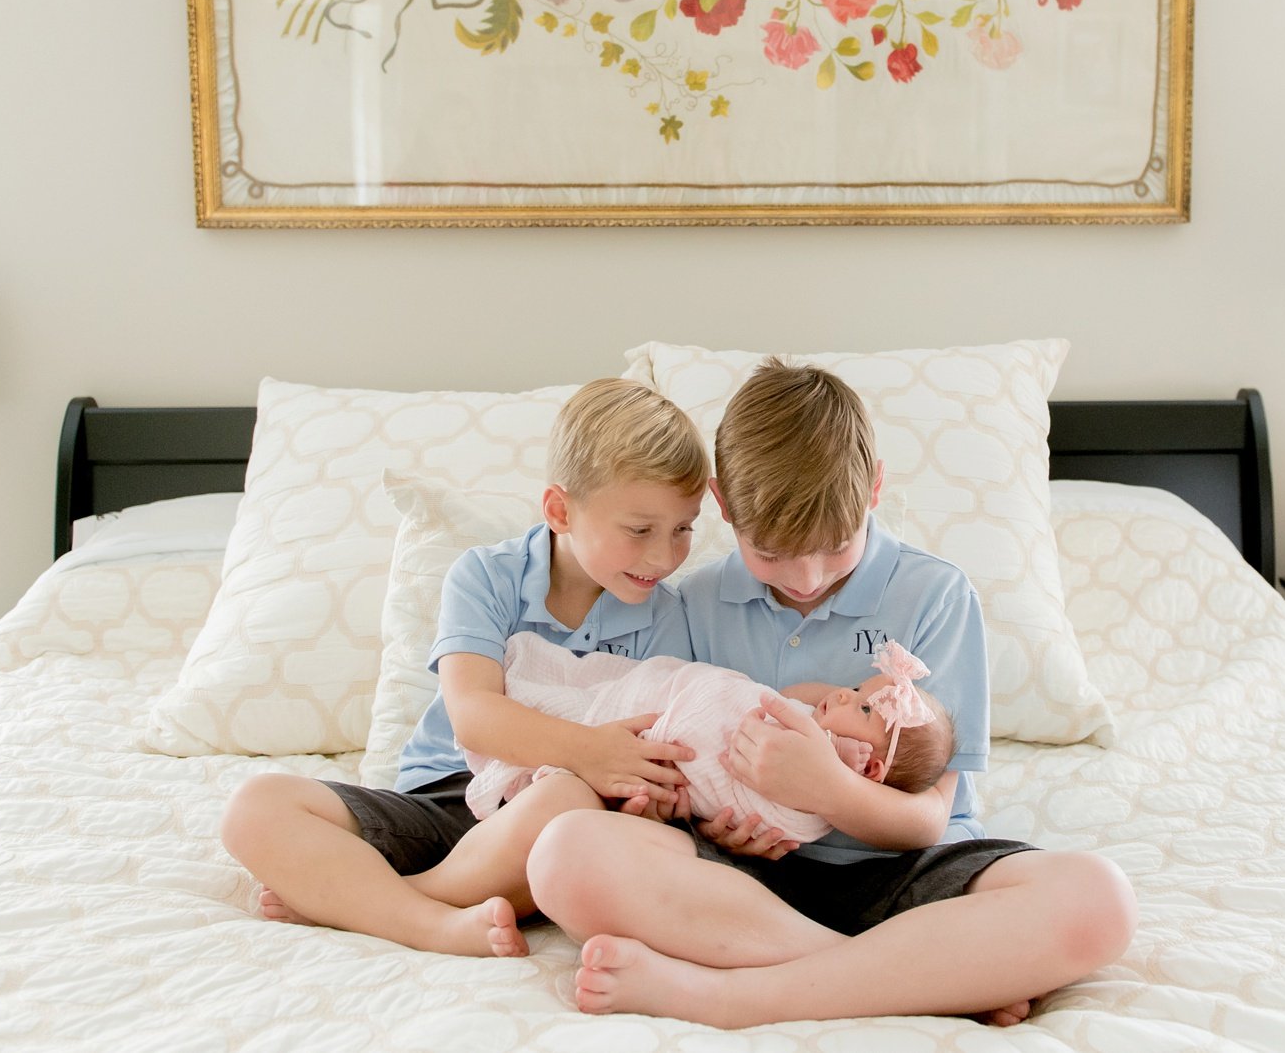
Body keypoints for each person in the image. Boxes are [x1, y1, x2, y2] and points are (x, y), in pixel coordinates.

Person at [523, 359, 1136, 1027]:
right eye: (774, 553)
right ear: (723, 506)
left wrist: (827, 789)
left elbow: (930, 817)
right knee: (561, 853)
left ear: (873, 491)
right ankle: (904, 974)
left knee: (1098, 900)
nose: (807, 577)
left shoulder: (932, 595)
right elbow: (679, 766)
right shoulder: (693, 603)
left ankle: (729, 998)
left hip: (902, 868)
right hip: (743, 885)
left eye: (834, 548)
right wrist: (696, 818)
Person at [219, 378, 709, 957]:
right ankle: (427, 921)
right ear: (560, 511)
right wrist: (591, 751)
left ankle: (371, 899)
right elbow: (475, 716)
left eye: (683, 529)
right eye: (640, 530)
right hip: (446, 799)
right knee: (256, 807)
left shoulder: (671, 617)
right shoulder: (487, 576)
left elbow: (660, 760)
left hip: (549, 825)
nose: (664, 555)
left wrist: (653, 797)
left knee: (571, 804)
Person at [468, 633, 955, 843]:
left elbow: (760, 797)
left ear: (871, 768)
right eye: (854, 689)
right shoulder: (811, 720)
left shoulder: (821, 795)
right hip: (655, 702)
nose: (844, 697)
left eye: (865, 708)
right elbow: (778, 697)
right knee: (587, 703)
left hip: (667, 745)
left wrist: (838, 767)